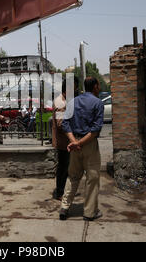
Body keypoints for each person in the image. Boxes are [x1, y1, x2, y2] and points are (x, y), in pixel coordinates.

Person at [59, 77, 104, 222]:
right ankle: (89, 213)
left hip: (74, 144)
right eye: (99, 85)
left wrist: (74, 142)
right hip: (89, 144)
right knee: (92, 178)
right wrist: (80, 143)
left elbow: (65, 124)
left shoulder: (72, 102)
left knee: (72, 177)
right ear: (95, 86)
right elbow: (95, 130)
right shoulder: (97, 102)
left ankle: (64, 208)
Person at [52, 77, 79, 201]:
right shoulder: (60, 102)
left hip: (66, 141)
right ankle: (60, 192)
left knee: (66, 167)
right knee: (63, 168)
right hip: (64, 142)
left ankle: (64, 191)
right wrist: (72, 136)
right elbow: (60, 123)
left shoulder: (65, 101)